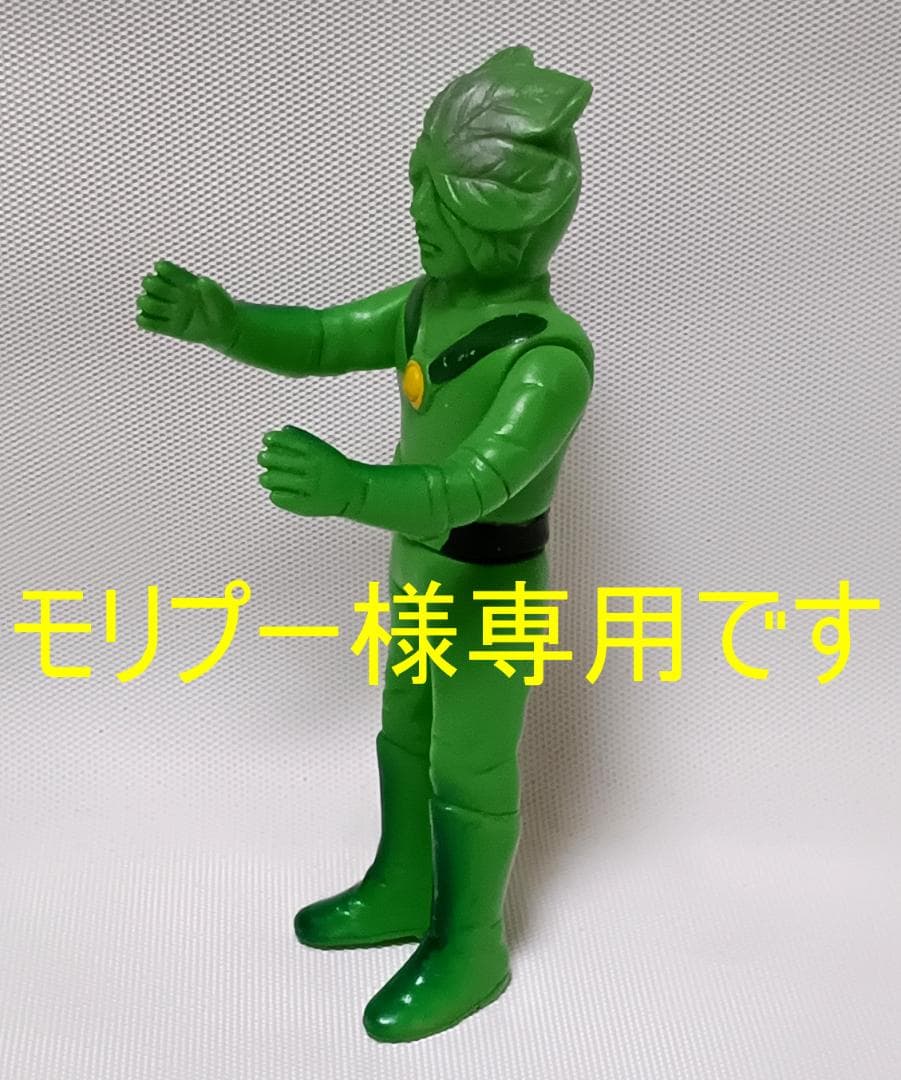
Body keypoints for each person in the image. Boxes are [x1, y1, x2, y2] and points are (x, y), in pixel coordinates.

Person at [136, 45, 593, 1042]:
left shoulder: (547, 357)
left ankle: (470, 939)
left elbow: (475, 484)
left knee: (471, 761)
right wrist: (224, 320)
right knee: (405, 726)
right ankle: (403, 881)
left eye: (442, 199)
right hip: (419, 569)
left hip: (493, 587)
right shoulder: (427, 305)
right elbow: (320, 338)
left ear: (505, 219)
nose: (418, 212)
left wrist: (350, 489)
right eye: (417, 185)